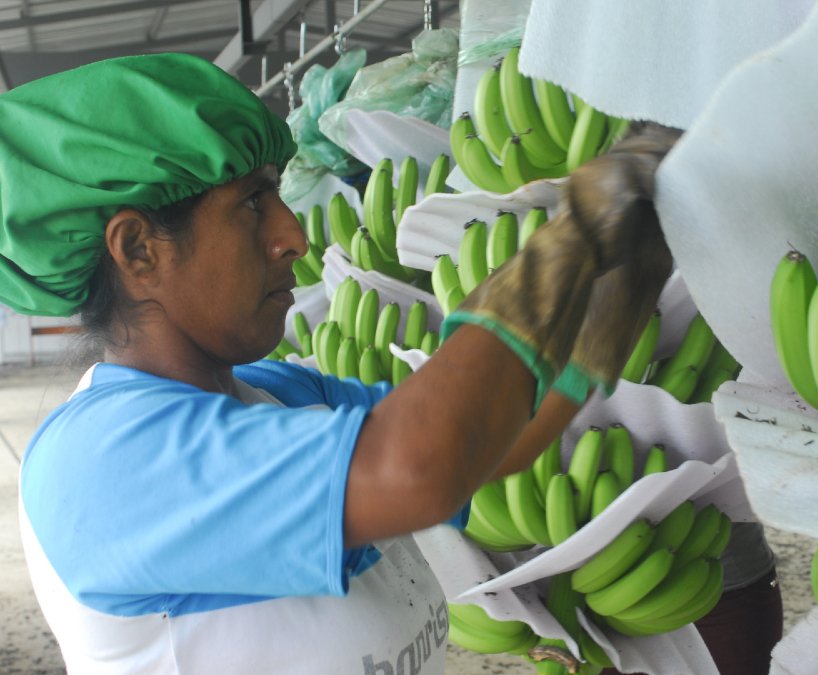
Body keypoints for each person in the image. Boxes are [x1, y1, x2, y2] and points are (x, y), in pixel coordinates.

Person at [4, 52, 677, 673]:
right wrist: (571, 236)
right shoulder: (97, 464)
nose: (293, 236)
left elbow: (487, 445)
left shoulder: (282, 395)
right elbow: (423, 466)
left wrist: (600, 326)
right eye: (252, 203)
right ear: (138, 249)